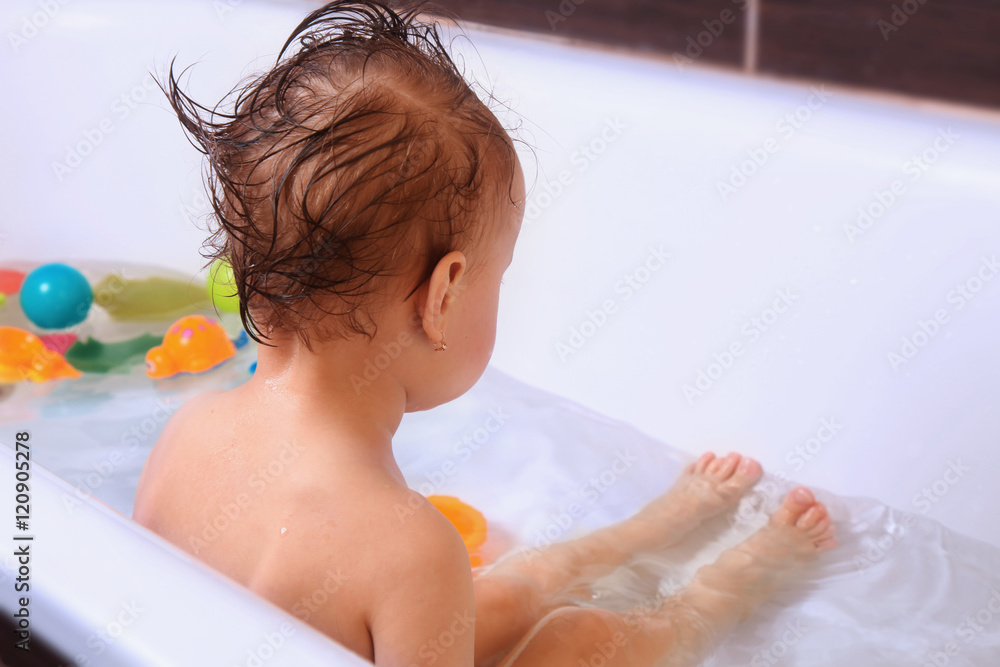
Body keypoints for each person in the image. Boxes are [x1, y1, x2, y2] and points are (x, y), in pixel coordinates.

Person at [133, 3, 836, 664]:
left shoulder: (187, 434)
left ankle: (635, 536)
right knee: (576, 638)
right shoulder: (408, 549)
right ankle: (709, 603)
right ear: (441, 297)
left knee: (498, 597)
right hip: (411, 589)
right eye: (499, 279)